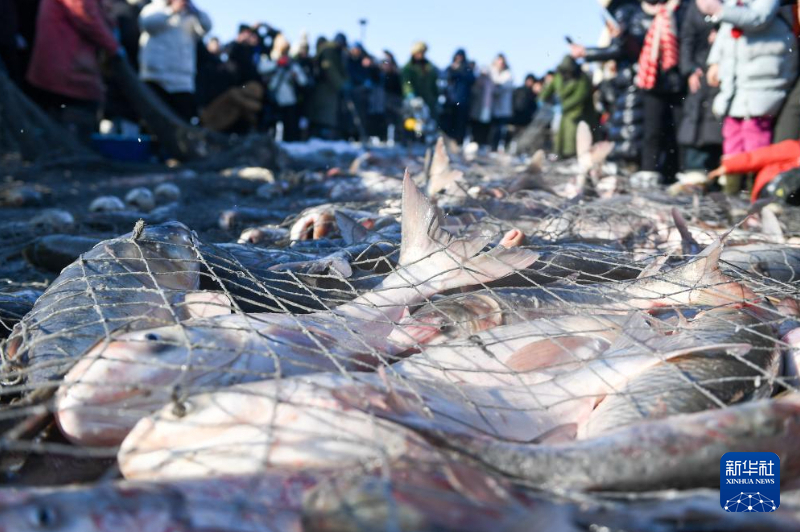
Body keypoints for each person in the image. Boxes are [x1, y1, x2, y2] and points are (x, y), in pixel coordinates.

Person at [699, 0, 797, 195]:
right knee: (732, 135)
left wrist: (719, 10)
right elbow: (725, 31)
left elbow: (757, 19)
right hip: (736, 85)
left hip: (761, 83)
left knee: (754, 138)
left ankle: (753, 190)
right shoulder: (732, 5)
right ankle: (731, 189)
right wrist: (715, 62)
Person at [26, 0, 122, 141]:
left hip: (63, 67)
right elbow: (86, 15)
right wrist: (114, 47)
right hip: (69, 70)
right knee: (72, 121)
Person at [570, 0, 646, 164]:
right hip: (630, 77)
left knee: (628, 129)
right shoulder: (630, 10)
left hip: (631, 78)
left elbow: (619, 48)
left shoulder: (624, 11)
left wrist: (586, 52)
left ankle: (628, 164)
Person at [138, 0, 212, 122]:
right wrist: (171, 11)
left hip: (182, 82)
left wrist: (195, 11)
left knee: (182, 121)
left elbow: (206, 26)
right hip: (154, 77)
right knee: (152, 122)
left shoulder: (190, 15)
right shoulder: (153, 8)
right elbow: (147, 24)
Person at [676, 0, 722, 172]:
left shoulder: (730, 5)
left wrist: (721, 36)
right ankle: (694, 170)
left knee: (716, 121)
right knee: (695, 119)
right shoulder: (694, 8)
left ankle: (714, 170)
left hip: (722, 70)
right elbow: (687, 40)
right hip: (699, 72)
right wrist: (690, 70)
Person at [538, 55, 595, 158]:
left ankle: (572, 156)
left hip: (578, 114)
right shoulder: (558, 77)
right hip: (563, 114)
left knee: (572, 138)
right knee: (560, 138)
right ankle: (561, 155)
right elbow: (547, 91)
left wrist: (562, 106)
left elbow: (579, 97)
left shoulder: (582, 79)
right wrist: (542, 98)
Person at [261, 37, 309, 141]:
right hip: (273, 98)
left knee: (290, 127)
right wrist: (277, 64)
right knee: (272, 126)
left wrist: (294, 74)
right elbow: (261, 68)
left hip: (290, 100)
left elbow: (303, 81)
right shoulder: (270, 60)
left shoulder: (292, 64)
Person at [310, 32, 349, 139]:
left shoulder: (334, 51)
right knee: (325, 114)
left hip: (330, 87)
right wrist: (341, 84)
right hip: (326, 87)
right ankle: (322, 137)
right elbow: (330, 70)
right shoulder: (329, 51)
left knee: (328, 113)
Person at [441, 48, 474, 144]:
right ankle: (448, 141)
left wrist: (458, 72)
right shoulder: (449, 68)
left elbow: (471, 79)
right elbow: (444, 78)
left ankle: (458, 142)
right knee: (448, 122)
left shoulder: (467, 69)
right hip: (450, 100)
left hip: (463, 101)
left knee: (461, 123)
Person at [401, 41, 439, 121]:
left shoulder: (430, 67)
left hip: (429, 101)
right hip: (414, 102)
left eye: (423, 52)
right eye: (419, 52)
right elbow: (406, 84)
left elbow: (434, 83)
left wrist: (436, 96)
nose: (421, 54)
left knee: (430, 124)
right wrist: (411, 96)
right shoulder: (408, 68)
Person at [489, 53, 514, 150]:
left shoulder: (508, 74)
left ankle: (496, 148)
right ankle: (490, 146)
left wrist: (497, 86)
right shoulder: (491, 71)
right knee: (491, 128)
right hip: (492, 107)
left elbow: (503, 86)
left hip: (503, 107)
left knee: (500, 129)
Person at [469, 65, 494, 147]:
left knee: (484, 126)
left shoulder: (490, 82)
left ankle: (482, 143)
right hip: (477, 107)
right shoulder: (478, 81)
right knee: (476, 126)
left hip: (487, 107)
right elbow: (473, 92)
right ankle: (473, 142)